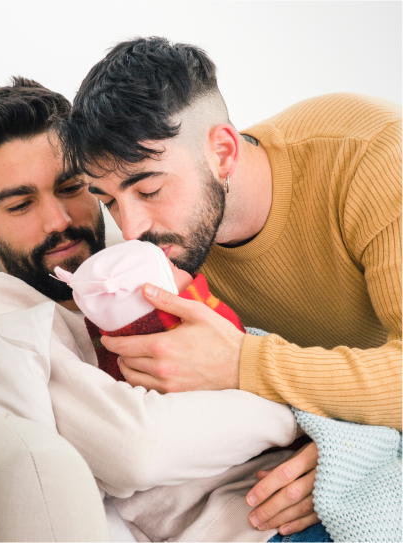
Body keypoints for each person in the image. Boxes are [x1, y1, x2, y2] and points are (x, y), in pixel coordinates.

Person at [0, 77, 323, 542]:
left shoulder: (154, 261)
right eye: (20, 204)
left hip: (328, 493)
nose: (59, 222)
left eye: (71, 187)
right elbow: (137, 448)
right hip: (264, 527)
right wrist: (298, 411)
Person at [60, 36, 403, 533]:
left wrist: (244, 362)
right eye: (110, 201)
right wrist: (338, 442)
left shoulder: (374, 158)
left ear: (223, 152)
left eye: (150, 189)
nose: (132, 229)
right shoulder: (170, 249)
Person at [52, 239, 245, 381]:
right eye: (173, 267)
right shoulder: (208, 317)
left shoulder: (118, 365)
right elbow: (242, 338)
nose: (183, 268)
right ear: (161, 298)